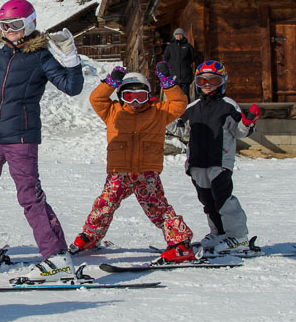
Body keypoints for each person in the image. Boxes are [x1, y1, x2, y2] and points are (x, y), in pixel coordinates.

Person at [0, 0, 84, 282]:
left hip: (21, 137)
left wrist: (70, 56)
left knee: (29, 196)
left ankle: (57, 257)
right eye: (5, 25)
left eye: (16, 24)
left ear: (30, 24)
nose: (9, 30)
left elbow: (72, 87)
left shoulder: (41, 58)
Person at [70, 63, 195, 263]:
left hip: (147, 173)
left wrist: (168, 84)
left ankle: (181, 244)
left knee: (159, 208)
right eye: (129, 96)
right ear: (120, 96)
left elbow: (179, 104)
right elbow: (96, 98)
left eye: (141, 96)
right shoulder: (112, 111)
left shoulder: (159, 112)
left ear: (149, 95)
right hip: (119, 172)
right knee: (105, 204)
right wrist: (110, 82)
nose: (136, 102)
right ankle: (91, 236)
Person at [175, 60, 261, 254]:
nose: (207, 85)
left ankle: (238, 236)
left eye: (213, 81)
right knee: (207, 200)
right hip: (197, 161)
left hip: (219, 161)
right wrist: (161, 116)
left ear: (222, 82)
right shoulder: (193, 107)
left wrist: (247, 124)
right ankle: (219, 232)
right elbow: (179, 129)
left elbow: (239, 131)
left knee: (223, 199)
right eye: (202, 81)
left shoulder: (228, 106)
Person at [162, 28, 197, 99]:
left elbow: (192, 58)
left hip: (185, 76)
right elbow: (165, 59)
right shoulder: (170, 47)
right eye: (177, 34)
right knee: (174, 96)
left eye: (180, 34)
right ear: (174, 36)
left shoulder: (188, 46)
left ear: (183, 36)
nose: (178, 36)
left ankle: (187, 109)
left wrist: (185, 65)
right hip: (173, 76)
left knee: (185, 96)